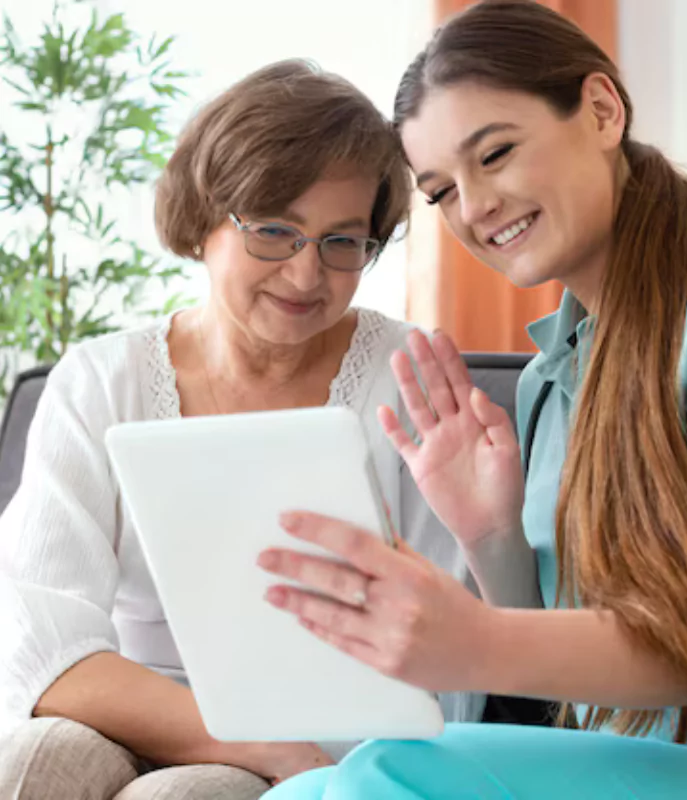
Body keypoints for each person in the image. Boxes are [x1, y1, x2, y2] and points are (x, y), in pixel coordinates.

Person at [258, 2, 687, 797]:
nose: (474, 207)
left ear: (603, 111)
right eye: (441, 192)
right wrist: (491, 534)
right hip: (631, 765)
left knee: (369, 779)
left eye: (497, 153)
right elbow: (567, 701)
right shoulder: (555, 371)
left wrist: (474, 639)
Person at [0, 59, 488, 800]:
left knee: (186, 796)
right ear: (204, 223)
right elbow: (38, 642)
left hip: (328, 744)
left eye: (341, 242)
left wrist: (292, 755)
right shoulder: (101, 380)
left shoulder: (408, 376)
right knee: (39, 760)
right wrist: (254, 742)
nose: (304, 275)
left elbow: (450, 660)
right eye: (273, 231)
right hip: (126, 711)